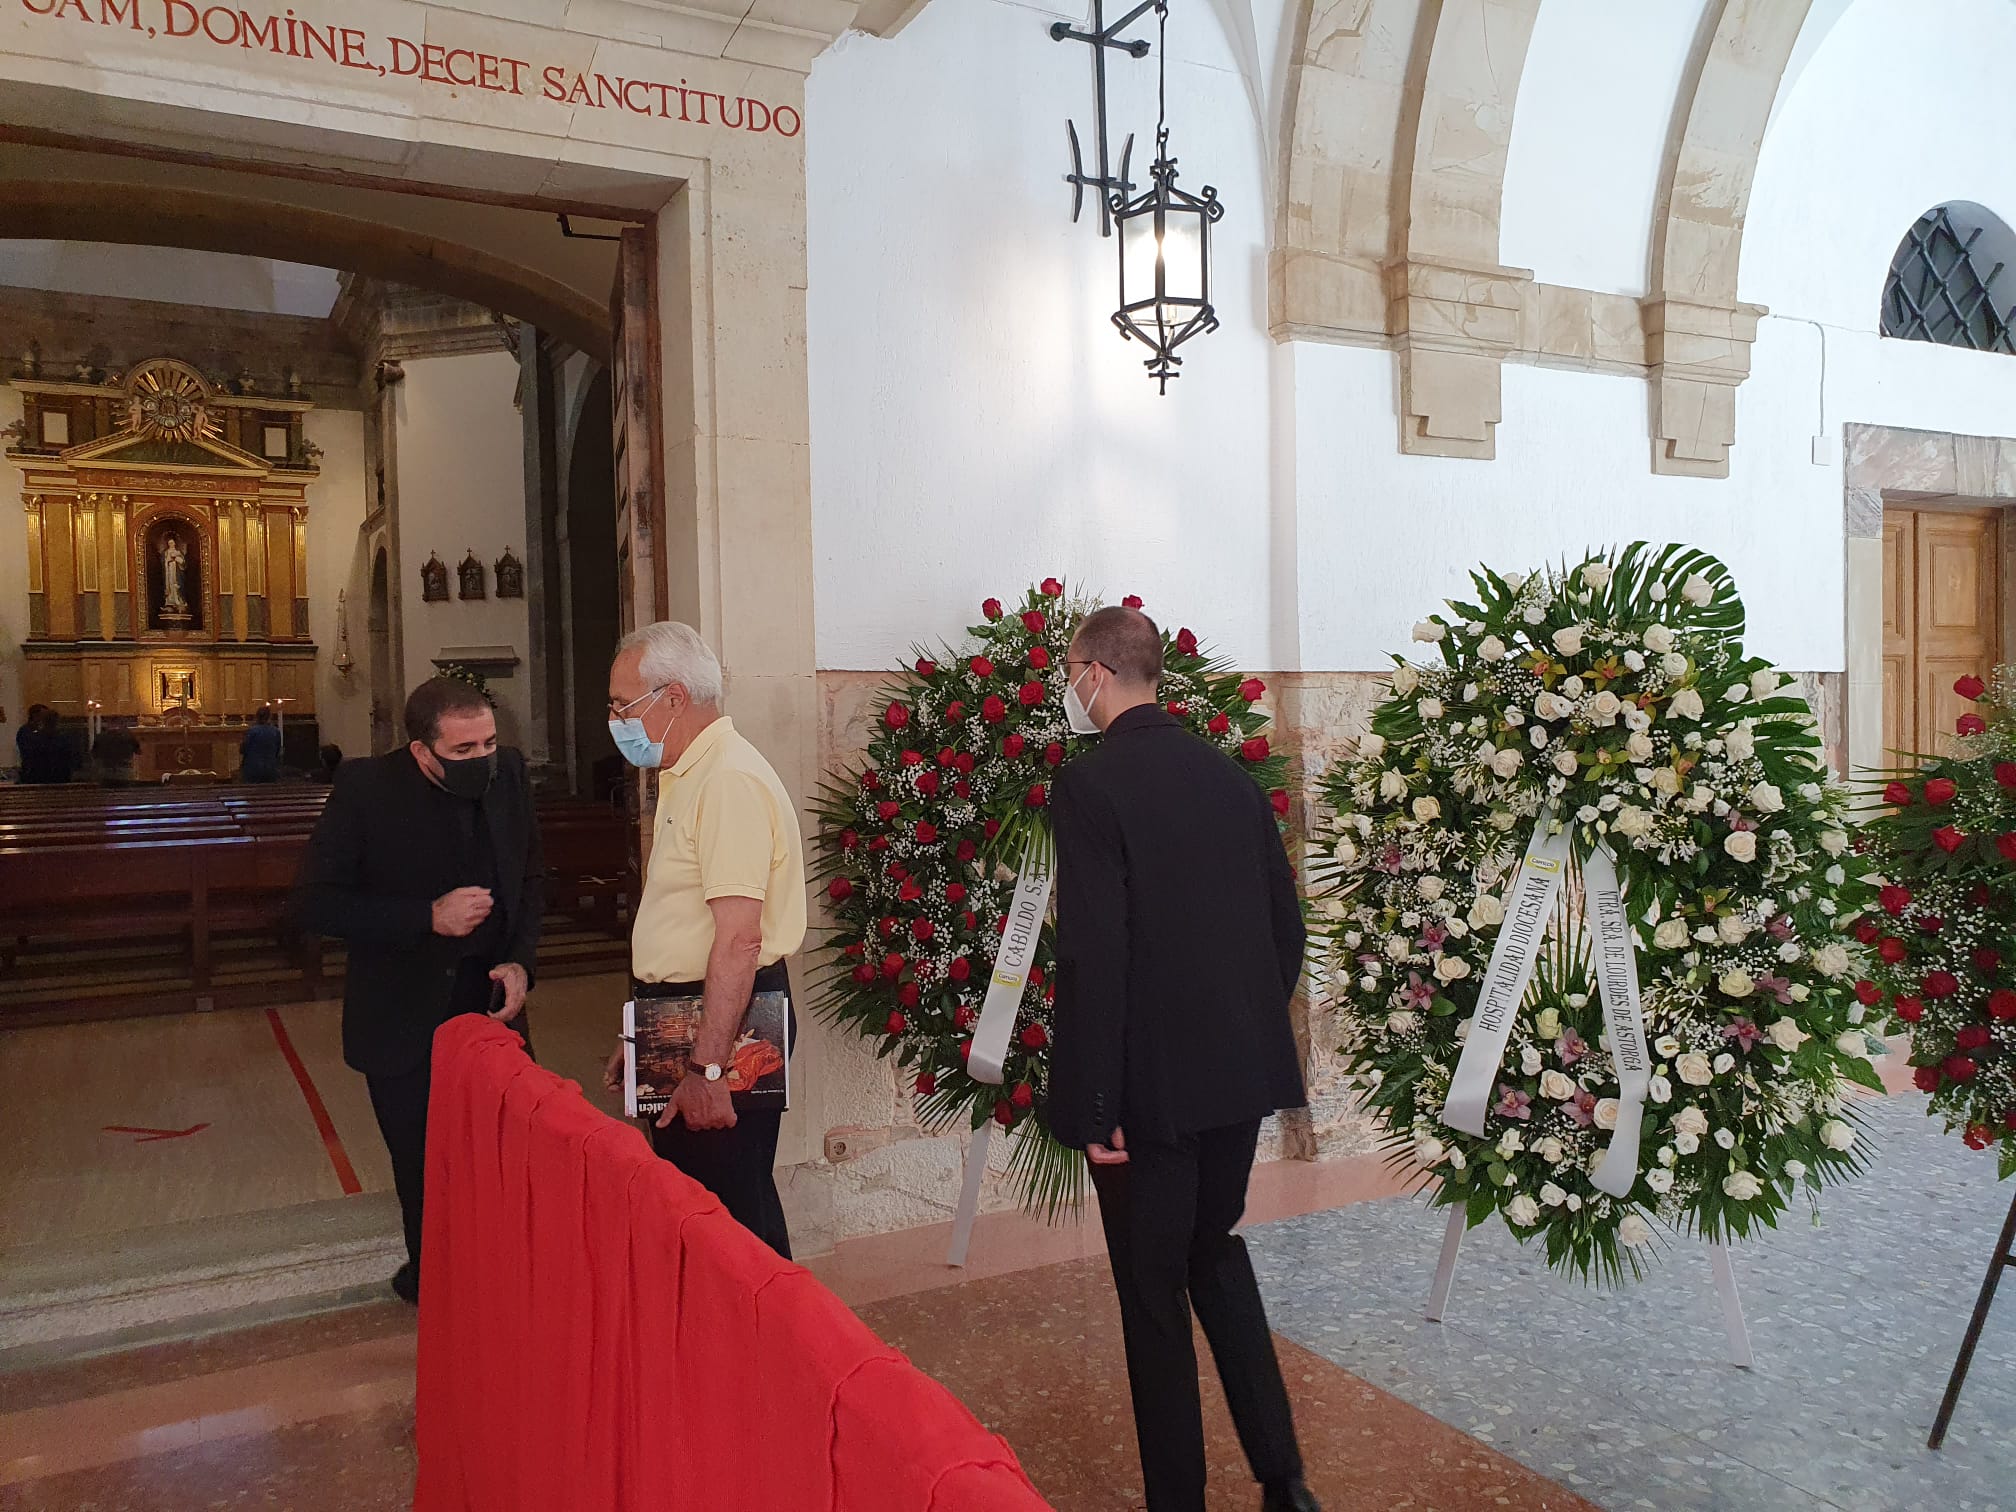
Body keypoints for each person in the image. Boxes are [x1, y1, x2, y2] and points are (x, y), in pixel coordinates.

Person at [1048, 605, 1317, 1512]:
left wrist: (1097, 1104)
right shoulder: (1231, 779)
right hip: (1235, 1080)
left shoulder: (1090, 786)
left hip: (1147, 1096)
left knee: (1153, 1297)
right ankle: (1284, 1479)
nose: (1068, 688)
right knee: (1215, 1254)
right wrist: (1239, 1036)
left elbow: (1096, 953)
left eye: (1069, 672)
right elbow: (1286, 931)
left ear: (1094, 673)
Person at [291, 677, 543, 1304]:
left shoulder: (507, 773)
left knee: (514, 1151)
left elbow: (532, 876)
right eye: (462, 751)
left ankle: (513, 1279)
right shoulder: (365, 789)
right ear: (421, 750)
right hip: (403, 1012)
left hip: (491, 1003)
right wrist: (425, 917)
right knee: (425, 1165)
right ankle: (439, 1288)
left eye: (487, 742)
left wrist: (521, 963)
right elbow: (314, 902)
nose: (480, 759)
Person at [599, 622, 806, 1258]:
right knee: (705, 1196)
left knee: (727, 1216)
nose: (613, 721)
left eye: (620, 706)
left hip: (723, 1024)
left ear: (673, 697)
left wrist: (708, 1069)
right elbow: (680, 922)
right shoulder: (688, 770)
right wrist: (640, 1034)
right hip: (679, 1015)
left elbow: (740, 940)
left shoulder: (727, 781)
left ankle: (766, 1350)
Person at [241, 706, 283, 783]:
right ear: (269, 717)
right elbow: (278, 750)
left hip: (253, 769)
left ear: (257, 716)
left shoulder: (252, 731)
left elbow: (243, 749)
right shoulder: (275, 731)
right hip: (271, 769)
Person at [91, 717, 139, 785]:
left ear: (108, 725)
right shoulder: (128, 736)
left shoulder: (100, 737)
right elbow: (138, 752)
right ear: (121, 725)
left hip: (106, 772)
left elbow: (94, 755)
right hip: (125, 773)